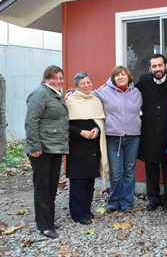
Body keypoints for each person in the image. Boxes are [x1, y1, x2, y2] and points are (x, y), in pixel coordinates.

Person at [25, 65, 69, 239]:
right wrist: (34, 147)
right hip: (41, 149)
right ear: (46, 79)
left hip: (54, 147)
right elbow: (31, 122)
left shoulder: (55, 94)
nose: (58, 81)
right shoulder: (40, 94)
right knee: (42, 187)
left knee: (51, 186)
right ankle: (44, 226)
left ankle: (48, 220)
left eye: (60, 78)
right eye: (54, 78)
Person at [92, 66, 142, 212]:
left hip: (133, 137)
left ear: (129, 77)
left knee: (129, 171)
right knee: (116, 172)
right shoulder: (104, 92)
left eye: (123, 75)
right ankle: (114, 201)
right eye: (117, 75)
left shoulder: (137, 92)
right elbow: (86, 95)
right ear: (113, 78)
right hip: (114, 137)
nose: (120, 77)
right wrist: (70, 92)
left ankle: (126, 202)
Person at [136, 55, 167, 212]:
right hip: (149, 132)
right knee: (151, 168)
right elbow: (126, 90)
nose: (157, 69)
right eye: (154, 66)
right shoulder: (144, 81)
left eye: (160, 65)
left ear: (166, 66)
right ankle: (153, 199)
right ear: (150, 69)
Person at [66, 72, 108, 225]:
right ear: (76, 86)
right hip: (76, 145)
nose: (86, 85)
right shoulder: (70, 100)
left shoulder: (96, 100)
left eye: (88, 82)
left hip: (92, 145)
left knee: (89, 181)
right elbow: (65, 124)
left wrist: (97, 129)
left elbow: (99, 121)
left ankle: (86, 209)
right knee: (77, 181)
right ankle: (78, 214)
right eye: (82, 83)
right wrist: (80, 132)